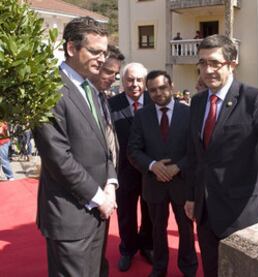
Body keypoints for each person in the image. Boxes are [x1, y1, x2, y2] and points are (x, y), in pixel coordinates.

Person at [184, 34, 258, 277]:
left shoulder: (254, 99)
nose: (207, 70)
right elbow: (195, 157)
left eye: (215, 63)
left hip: (243, 215)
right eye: (203, 63)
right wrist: (191, 197)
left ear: (232, 63)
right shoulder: (196, 103)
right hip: (206, 214)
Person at [32, 16, 117, 277]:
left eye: (104, 52)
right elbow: (59, 158)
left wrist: (111, 183)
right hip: (70, 214)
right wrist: (99, 196)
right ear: (71, 48)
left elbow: (106, 145)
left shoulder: (90, 88)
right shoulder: (49, 90)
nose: (102, 59)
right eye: (95, 51)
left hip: (98, 210)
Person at [128, 70, 198, 277]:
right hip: (154, 183)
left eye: (162, 88)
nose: (158, 93)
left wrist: (178, 167)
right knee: (157, 230)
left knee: (186, 230)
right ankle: (159, 268)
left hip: (183, 184)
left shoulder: (189, 113)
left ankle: (189, 268)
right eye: (152, 90)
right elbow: (133, 150)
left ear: (172, 86)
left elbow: (196, 150)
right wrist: (152, 166)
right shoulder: (142, 116)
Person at [108, 63, 154, 272]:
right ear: (122, 80)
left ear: (145, 81)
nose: (134, 84)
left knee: (150, 213)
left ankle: (147, 246)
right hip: (123, 172)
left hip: (150, 172)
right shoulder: (111, 105)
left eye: (138, 80)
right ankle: (127, 249)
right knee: (126, 215)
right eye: (129, 80)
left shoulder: (155, 103)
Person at [90, 44, 125, 169]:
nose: (113, 78)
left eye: (115, 74)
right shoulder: (83, 98)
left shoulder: (104, 98)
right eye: (108, 72)